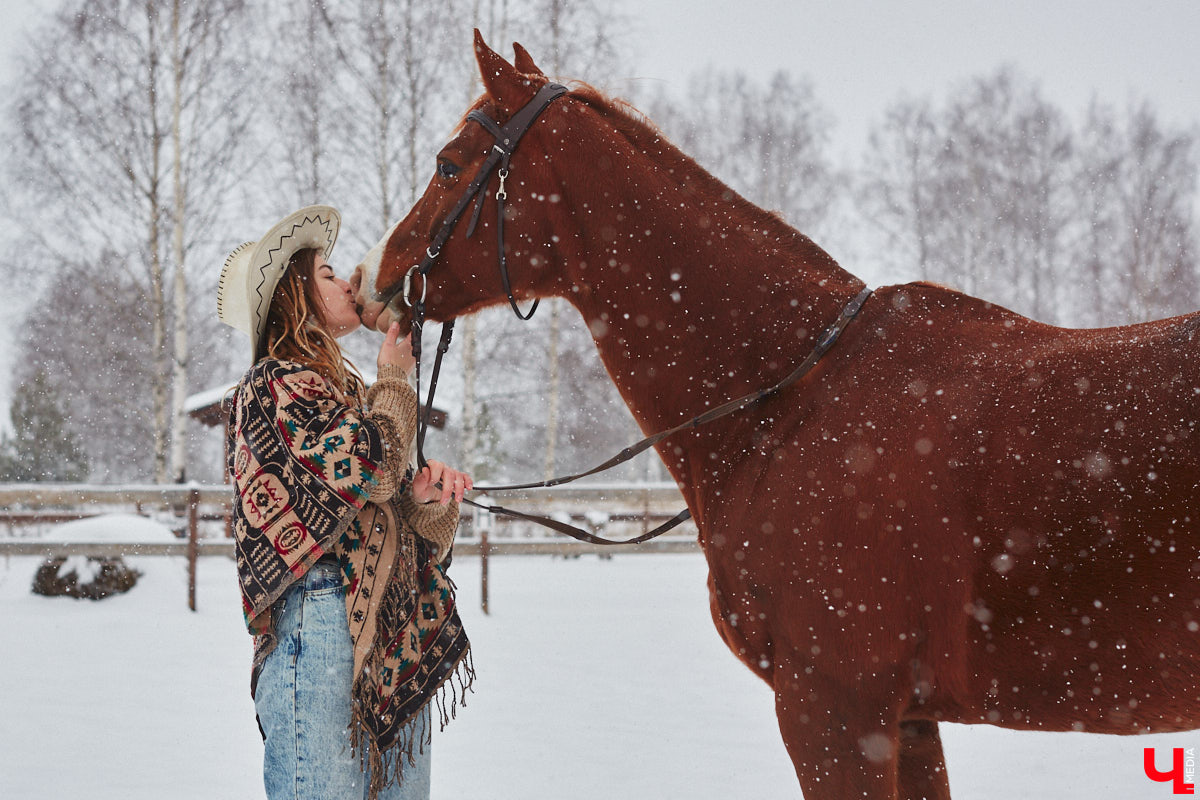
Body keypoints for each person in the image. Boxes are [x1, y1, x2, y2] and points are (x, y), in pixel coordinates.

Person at [217, 205, 473, 800]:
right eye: (327, 274)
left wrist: (424, 505)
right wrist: (393, 381)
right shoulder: (269, 389)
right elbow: (369, 467)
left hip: (383, 641)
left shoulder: (349, 392)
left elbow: (385, 512)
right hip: (320, 625)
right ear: (293, 297)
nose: (344, 282)